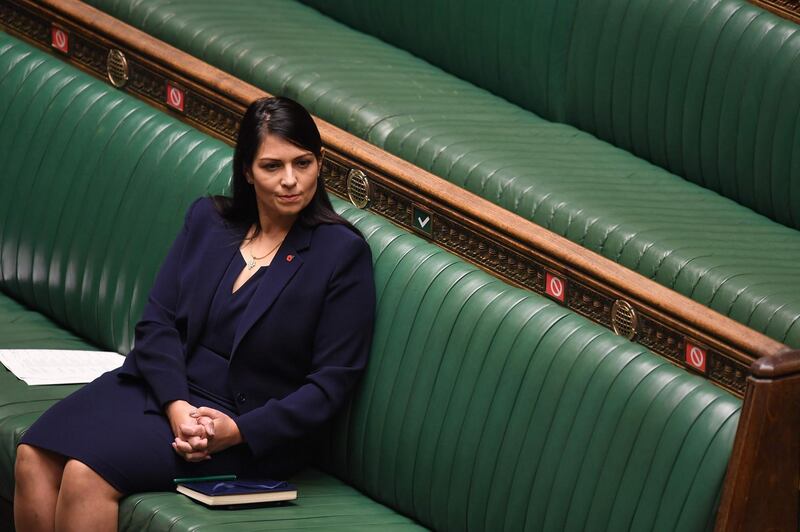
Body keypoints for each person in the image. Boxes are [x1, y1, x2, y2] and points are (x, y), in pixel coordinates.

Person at [13, 96, 376, 531]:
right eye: (272, 166)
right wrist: (177, 406)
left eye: (303, 163)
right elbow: (157, 322)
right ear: (247, 170)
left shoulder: (341, 254)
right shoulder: (210, 220)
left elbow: (331, 384)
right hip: (164, 391)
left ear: (320, 163)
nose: (291, 181)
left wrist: (238, 430)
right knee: (32, 457)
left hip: (246, 427)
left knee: (85, 475)